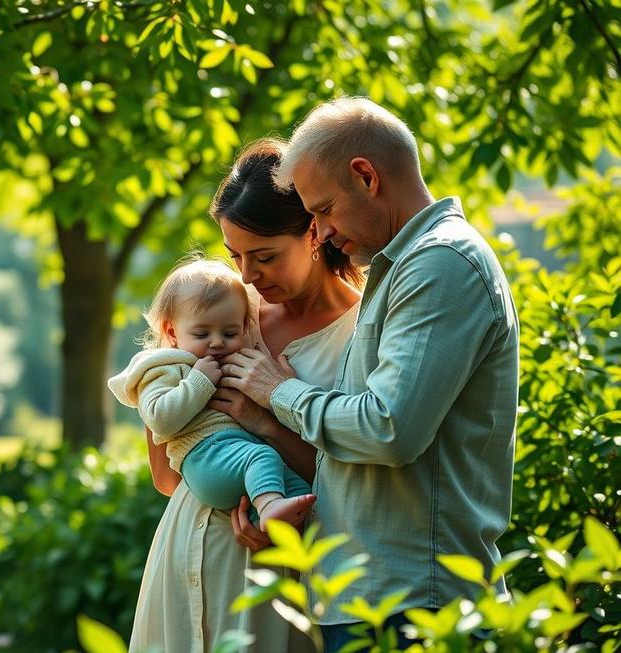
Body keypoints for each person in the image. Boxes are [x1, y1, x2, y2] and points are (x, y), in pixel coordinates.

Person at [221, 97, 519, 651]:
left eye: (324, 209)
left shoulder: (440, 263)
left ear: (366, 176)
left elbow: (388, 428)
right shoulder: (402, 268)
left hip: (414, 603)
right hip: (373, 598)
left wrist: (276, 390)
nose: (321, 232)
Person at [128, 139, 363, 653]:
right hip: (188, 548)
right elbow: (167, 478)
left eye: (264, 256)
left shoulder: (360, 333)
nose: (248, 275)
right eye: (236, 256)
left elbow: (361, 486)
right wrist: (168, 389)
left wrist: (266, 426)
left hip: (281, 569)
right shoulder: (226, 313)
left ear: (313, 232)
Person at [109, 258, 317, 531]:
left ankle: (267, 526)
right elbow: (159, 419)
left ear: (244, 327)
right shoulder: (164, 367)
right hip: (204, 458)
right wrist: (198, 382)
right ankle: (268, 508)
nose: (217, 342)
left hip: (237, 460)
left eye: (229, 332)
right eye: (202, 333)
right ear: (172, 331)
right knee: (263, 458)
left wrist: (284, 388)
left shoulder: (240, 361)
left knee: (301, 492)